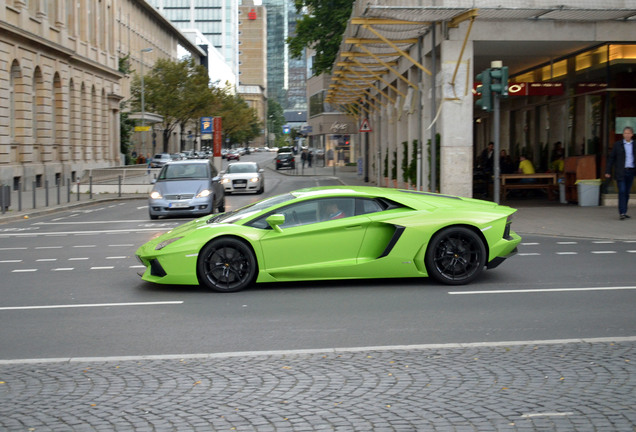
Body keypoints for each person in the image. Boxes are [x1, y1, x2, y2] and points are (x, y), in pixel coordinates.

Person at [605, 126, 635, 220]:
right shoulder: (617, 145)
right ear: (623, 134)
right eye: (625, 133)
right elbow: (611, 159)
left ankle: (624, 211)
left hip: (631, 171)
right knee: (622, 191)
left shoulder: (635, 145)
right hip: (621, 172)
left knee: (626, 192)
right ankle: (621, 212)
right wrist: (608, 171)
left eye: (629, 133)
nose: (627, 135)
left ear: (632, 134)